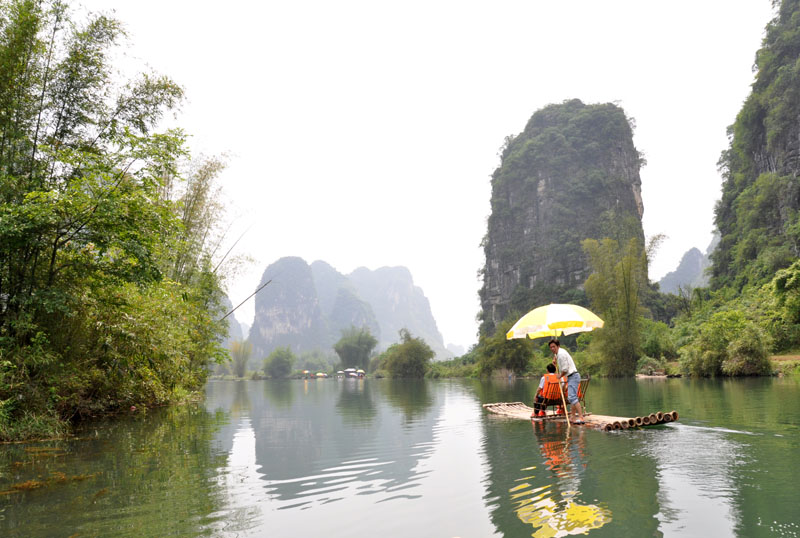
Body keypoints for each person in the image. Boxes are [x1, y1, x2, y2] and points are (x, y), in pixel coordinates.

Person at [549, 338, 585, 424]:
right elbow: (557, 357)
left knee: (572, 397)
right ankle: (572, 417)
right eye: (551, 347)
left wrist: (559, 376)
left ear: (558, 346)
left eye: (554, 346)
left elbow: (565, 369)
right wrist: (555, 360)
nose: (552, 349)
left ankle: (581, 417)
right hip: (572, 376)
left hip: (573, 376)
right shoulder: (560, 352)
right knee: (572, 397)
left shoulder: (561, 354)